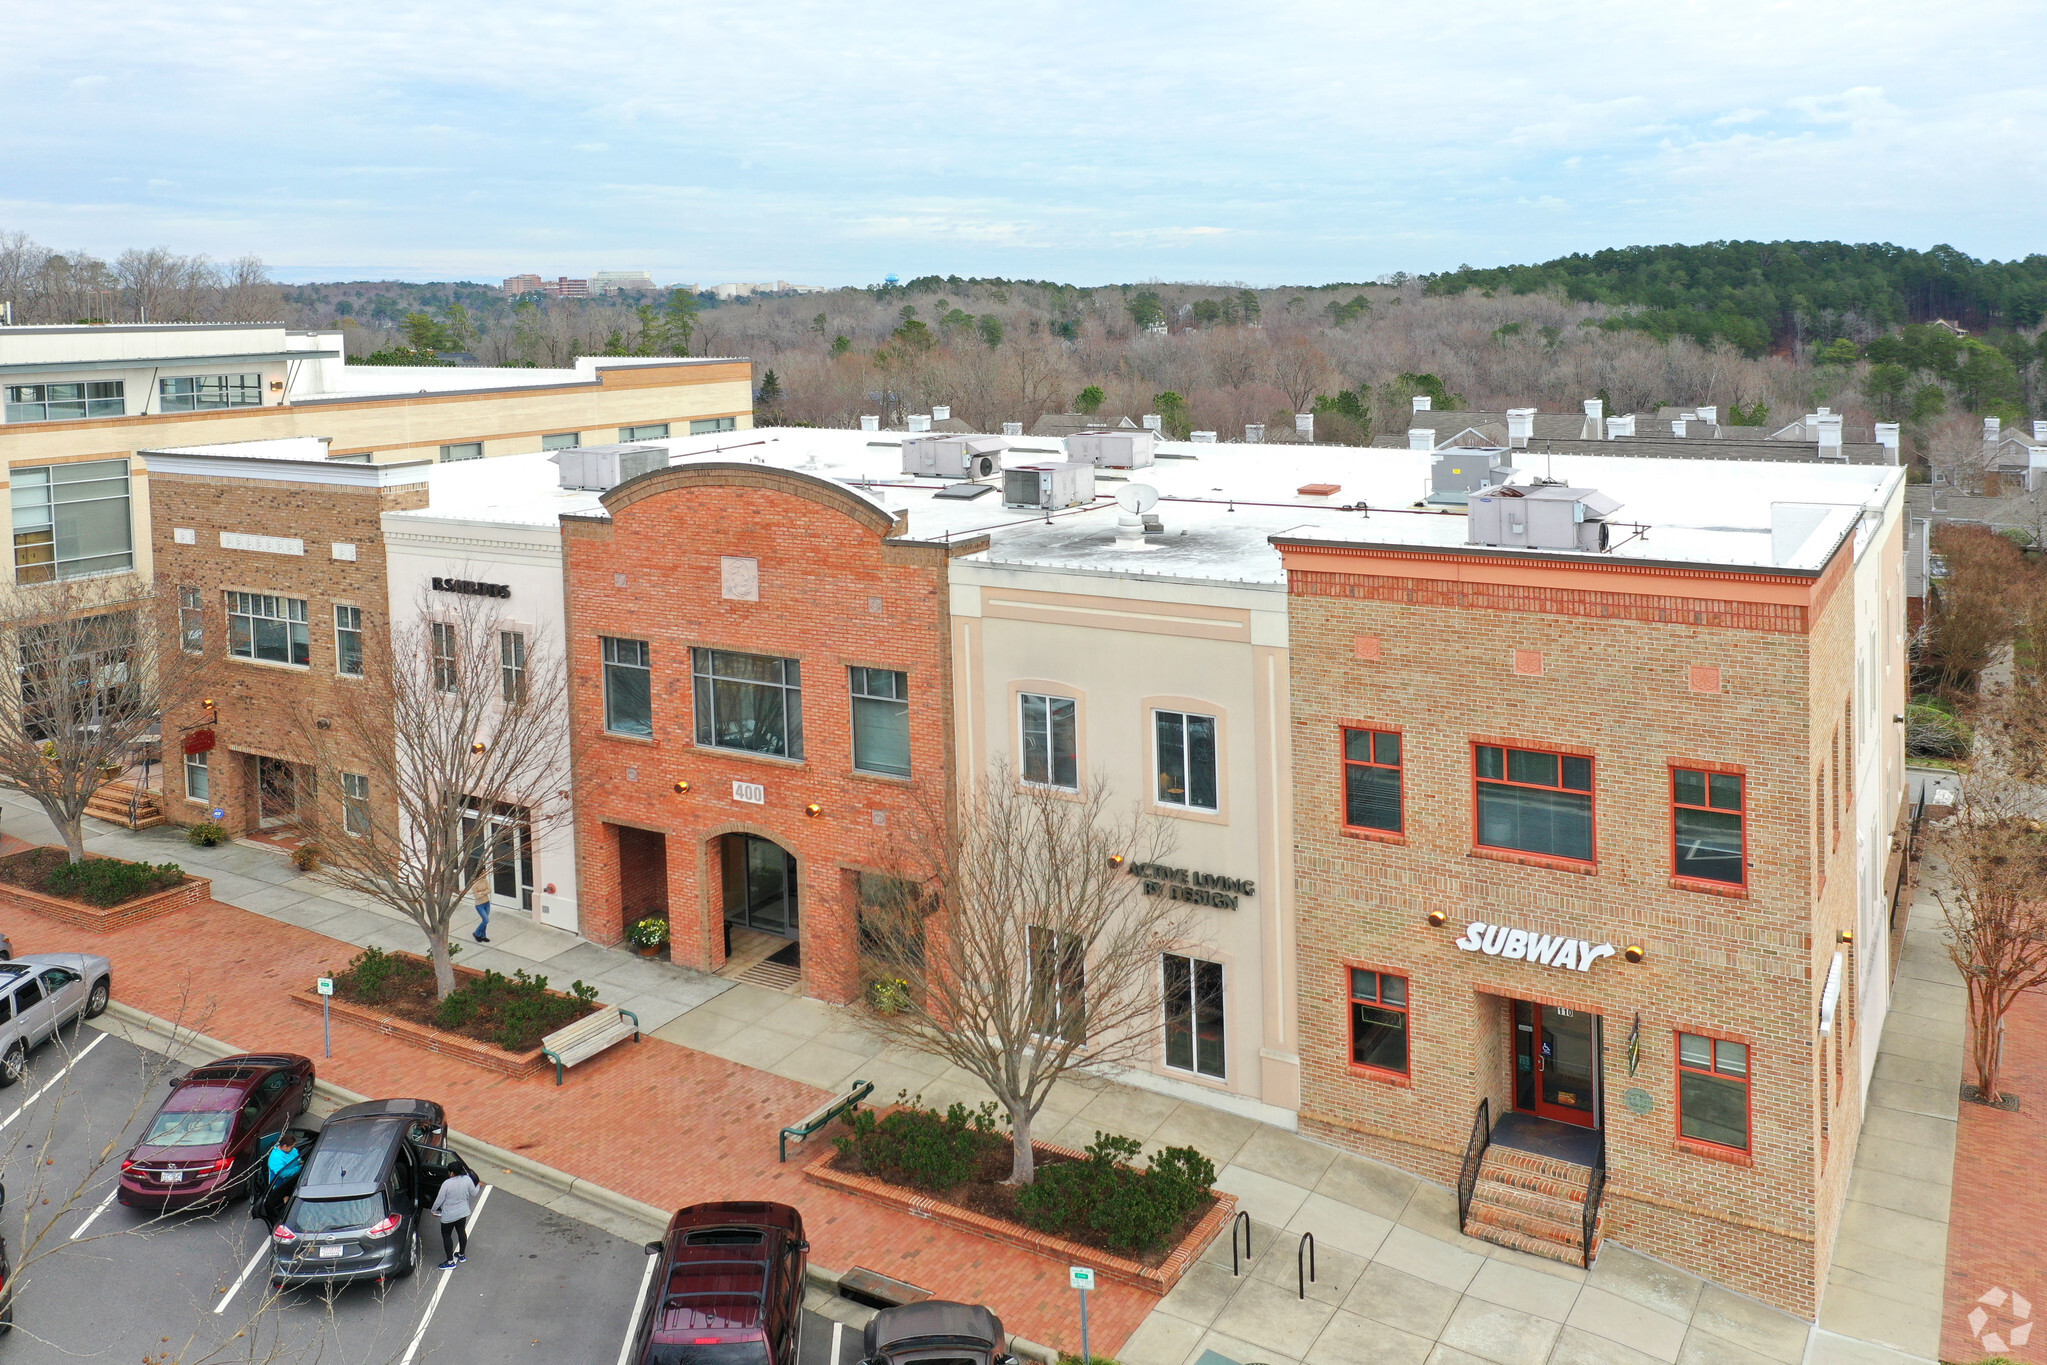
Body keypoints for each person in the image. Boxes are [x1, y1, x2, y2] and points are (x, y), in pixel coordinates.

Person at [431, 1162, 482, 1268]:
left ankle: (450, 1262)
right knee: (461, 1231)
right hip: (463, 1212)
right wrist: (478, 1186)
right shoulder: (467, 1179)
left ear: (452, 1173)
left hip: (449, 1215)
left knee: (446, 1235)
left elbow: (439, 1200)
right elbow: (474, 1193)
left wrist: (433, 1210)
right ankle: (461, 1254)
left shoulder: (447, 1184)